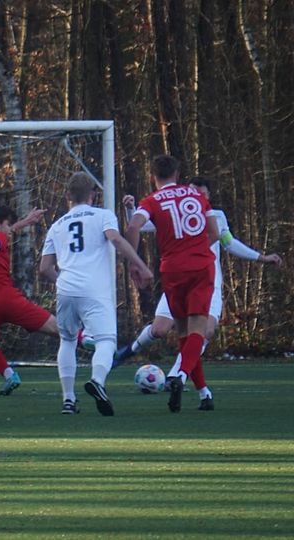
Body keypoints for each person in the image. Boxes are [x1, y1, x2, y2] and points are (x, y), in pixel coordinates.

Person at [115, 176, 283, 410]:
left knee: (203, 332)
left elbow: (228, 242)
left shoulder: (216, 216)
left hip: (206, 281)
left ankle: (179, 376)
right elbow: (140, 225)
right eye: (192, 191)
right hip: (181, 277)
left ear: (208, 196)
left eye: (201, 193)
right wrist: (130, 209)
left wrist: (261, 258)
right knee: (161, 329)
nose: (195, 196)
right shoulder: (174, 209)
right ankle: (133, 353)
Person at [39, 173, 153, 415]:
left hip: (66, 289)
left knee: (67, 340)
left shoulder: (56, 226)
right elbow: (116, 240)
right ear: (92, 194)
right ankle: (97, 381)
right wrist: (140, 265)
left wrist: (63, 282)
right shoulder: (103, 215)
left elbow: (44, 268)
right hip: (94, 289)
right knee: (106, 341)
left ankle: (68, 400)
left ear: (68, 196)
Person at [125, 155, 219, 413]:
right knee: (197, 329)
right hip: (201, 267)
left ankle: (204, 394)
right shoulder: (197, 196)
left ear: (152, 177)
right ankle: (180, 375)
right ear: (177, 174)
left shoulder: (151, 201)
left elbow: (133, 227)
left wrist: (134, 263)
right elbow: (214, 232)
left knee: (184, 333)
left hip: (173, 269)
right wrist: (195, 249)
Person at [0, 205, 59, 395]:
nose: (10, 229)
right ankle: (90, 341)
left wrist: (26, 221)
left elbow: (0, 236)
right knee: (55, 327)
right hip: (3, 297)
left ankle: (9, 375)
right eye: (7, 224)